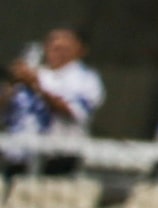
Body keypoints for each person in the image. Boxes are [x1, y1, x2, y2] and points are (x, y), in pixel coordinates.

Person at [6, 26, 103, 158]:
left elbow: (73, 111)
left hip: (56, 158)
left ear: (80, 50)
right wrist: (12, 82)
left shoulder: (85, 79)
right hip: (17, 155)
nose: (56, 52)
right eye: (53, 47)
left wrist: (36, 87)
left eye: (64, 49)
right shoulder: (37, 74)